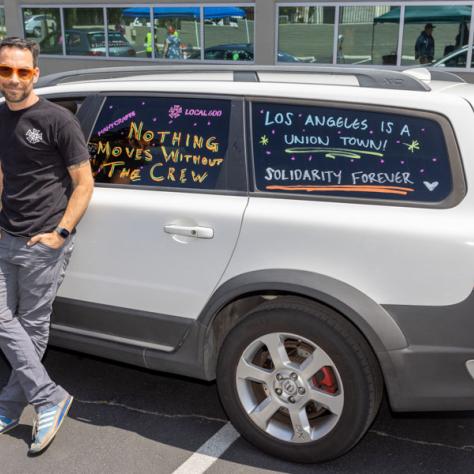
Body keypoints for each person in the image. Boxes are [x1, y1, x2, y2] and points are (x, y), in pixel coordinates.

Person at [0, 37, 94, 454]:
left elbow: (84, 183)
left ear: (35, 73)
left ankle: (7, 407)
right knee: (9, 323)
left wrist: (60, 234)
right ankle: (48, 397)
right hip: (5, 236)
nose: (14, 78)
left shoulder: (58, 120)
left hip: (43, 241)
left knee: (32, 328)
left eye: (22, 71)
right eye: (6, 70)